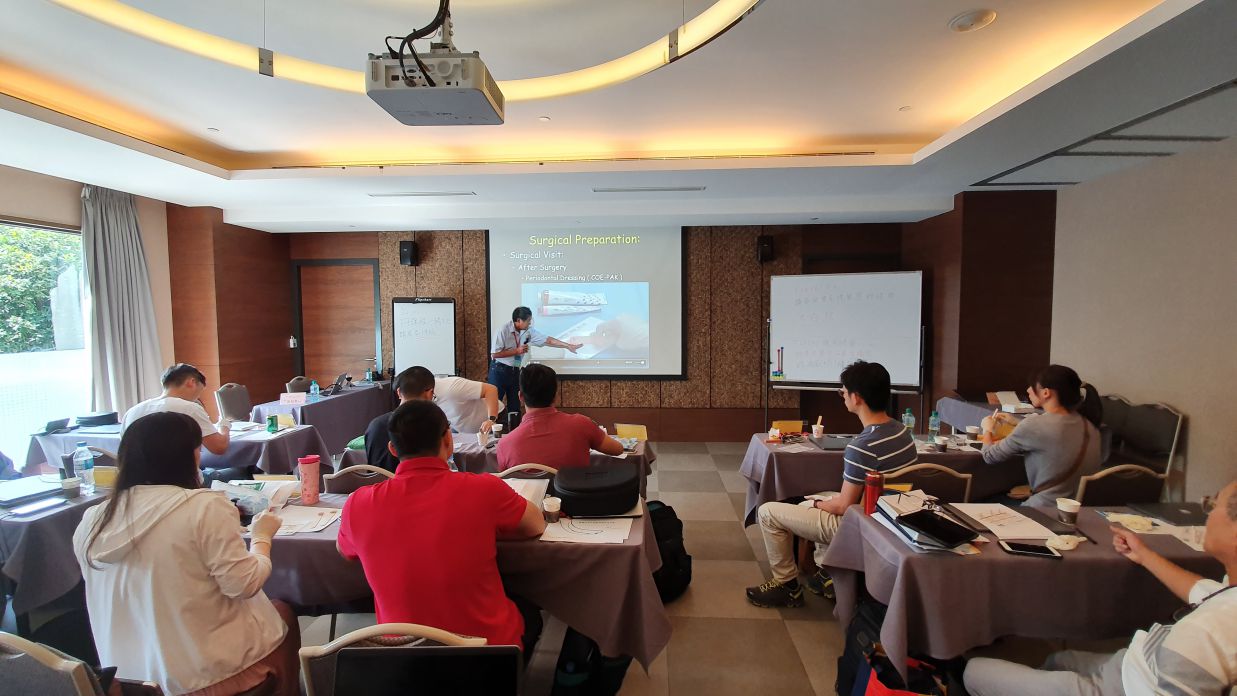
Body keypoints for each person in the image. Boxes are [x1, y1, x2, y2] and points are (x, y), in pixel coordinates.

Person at [72, 412, 300, 696]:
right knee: (282, 614)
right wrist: (261, 537)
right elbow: (244, 584)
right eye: (198, 450)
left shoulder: (93, 519)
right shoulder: (203, 507)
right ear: (188, 457)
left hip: (130, 680)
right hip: (208, 676)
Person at [964, 479, 1237, 695]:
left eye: (1214, 505)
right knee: (1060, 660)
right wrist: (1144, 555)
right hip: (1129, 664)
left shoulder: (1207, 633)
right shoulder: (1227, 598)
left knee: (973, 671)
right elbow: (1207, 592)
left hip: (1117, 688)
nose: (1207, 514)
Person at [337, 400, 546, 654]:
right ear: (448, 439)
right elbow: (536, 524)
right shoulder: (484, 489)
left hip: (400, 656)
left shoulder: (358, 503)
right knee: (529, 610)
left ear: (392, 448)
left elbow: (344, 550)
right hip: (484, 653)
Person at [745, 360, 917, 608]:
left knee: (768, 512)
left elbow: (843, 507)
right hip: (892, 517)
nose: (843, 396)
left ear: (856, 397)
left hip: (863, 525)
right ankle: (830, 575)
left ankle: (787, 586)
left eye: (843, 392)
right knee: (823, 495)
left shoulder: (861, 447)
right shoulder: (902, 431)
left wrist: (817, 504)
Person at [980, 364, 1103, 507]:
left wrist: (987, 429)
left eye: (1032, 386)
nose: (1028, 390)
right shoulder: (1089, 427)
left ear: (1046, 393)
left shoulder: (1034, 425)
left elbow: (989, 456)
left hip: (1042, 510)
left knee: (981, 498)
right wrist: (1018, 423)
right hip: (1075, 509)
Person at [496, 363, 624, 471]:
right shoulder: (581, 424)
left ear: (521, 397)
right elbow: (618, 449)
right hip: (577, 494)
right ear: (555, 396)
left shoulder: (504, 445)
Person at [489, 306, 583, 412]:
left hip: (515, 370)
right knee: (494, 404)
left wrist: (567, 346)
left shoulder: (528, 331)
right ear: (519, 320)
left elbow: (548, 340)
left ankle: (515, 422)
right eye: (528, 321)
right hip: (499, 370)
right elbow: (494, 354)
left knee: (515, 406)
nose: (530, 323)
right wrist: (517, 351)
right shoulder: (503, 330)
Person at [122, 363, 230, 455]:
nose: (197, 398)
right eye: (199, 391)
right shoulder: (190, 408)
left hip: (138, 474)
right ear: (191, 382)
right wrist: (224, 425)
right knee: (237, 470)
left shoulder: (131, 412)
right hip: (181, 473)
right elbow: (219, 447)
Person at [364, 366, 435, 472]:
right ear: (429, 393)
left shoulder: (375, 424)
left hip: (378, 481)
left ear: (398, 392)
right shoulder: (429, 423)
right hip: (412, 481)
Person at [435, 374, 505, 434]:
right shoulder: (431, 398)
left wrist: (491, 419)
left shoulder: (453, 387)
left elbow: (491, 389)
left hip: (495, 420)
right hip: (462, 431)